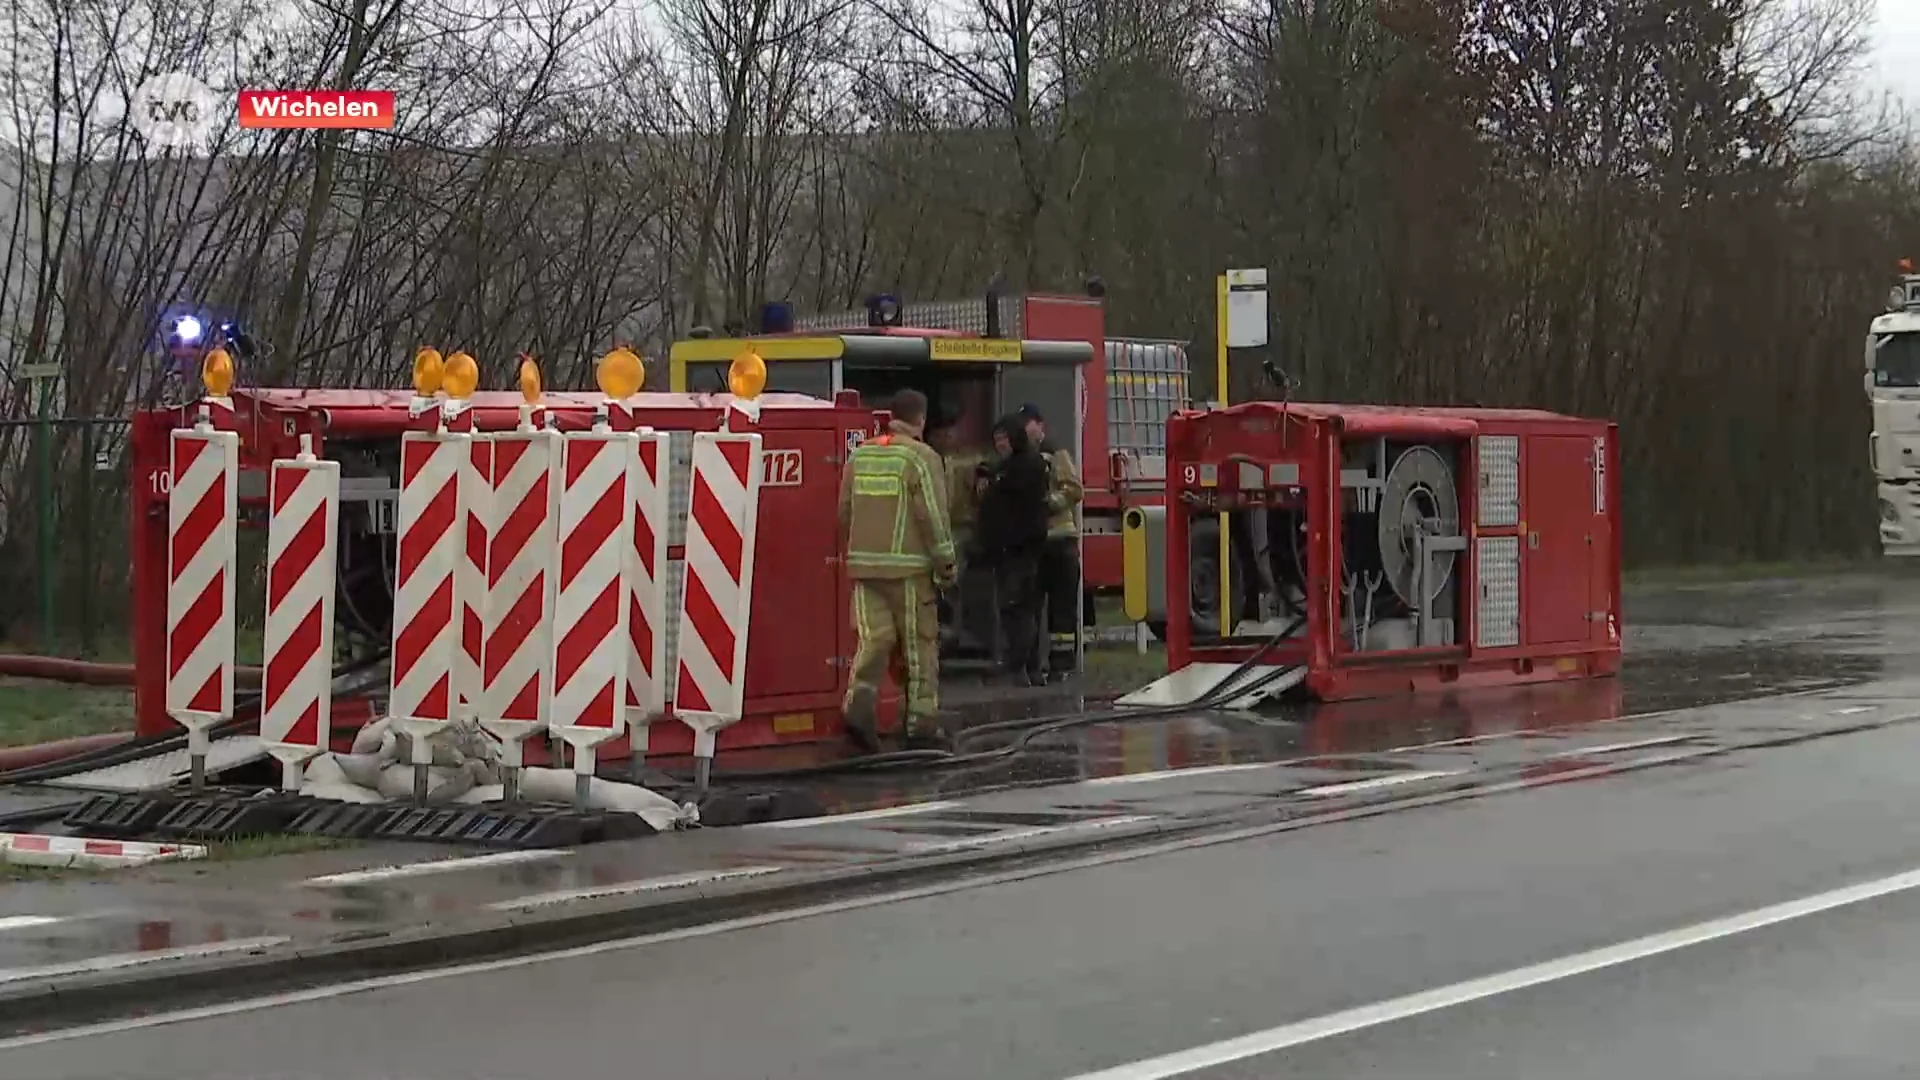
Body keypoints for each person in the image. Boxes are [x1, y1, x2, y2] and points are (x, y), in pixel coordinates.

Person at [838, 389, 957, 753]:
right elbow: (933, 516)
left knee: (873, 641)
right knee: (919, 646)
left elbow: (844, 512)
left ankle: (858, 709)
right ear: (920, 419)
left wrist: (855, 553)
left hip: (865, 568)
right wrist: (946, 565)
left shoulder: (859, 455)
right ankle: (921, 724)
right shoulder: (921, 458)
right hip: (910, 571)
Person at [974, 414, 1051, 686]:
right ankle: (1031, 669)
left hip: (1015, 548)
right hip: (1024, 547)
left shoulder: (1018, 470)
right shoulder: (1027, 465)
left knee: (1014, 608)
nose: (1000, 444)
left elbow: (1002, 506)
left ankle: (1017, 666)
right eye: (996, 440)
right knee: (1026, 609)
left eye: (1004, 438)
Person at [1018, 404, 1084, 679]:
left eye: (1030, 422)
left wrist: (1050, 503)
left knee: (1062, 611)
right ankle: (1032, 666)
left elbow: (1075, 489)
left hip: (1060, 543)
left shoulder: (1056, 453)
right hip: (1034, 543)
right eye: (1023, 422)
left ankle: (1062, 666)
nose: (1026, 427)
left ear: (1041, 425)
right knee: (1030, 607)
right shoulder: (1020, 456)